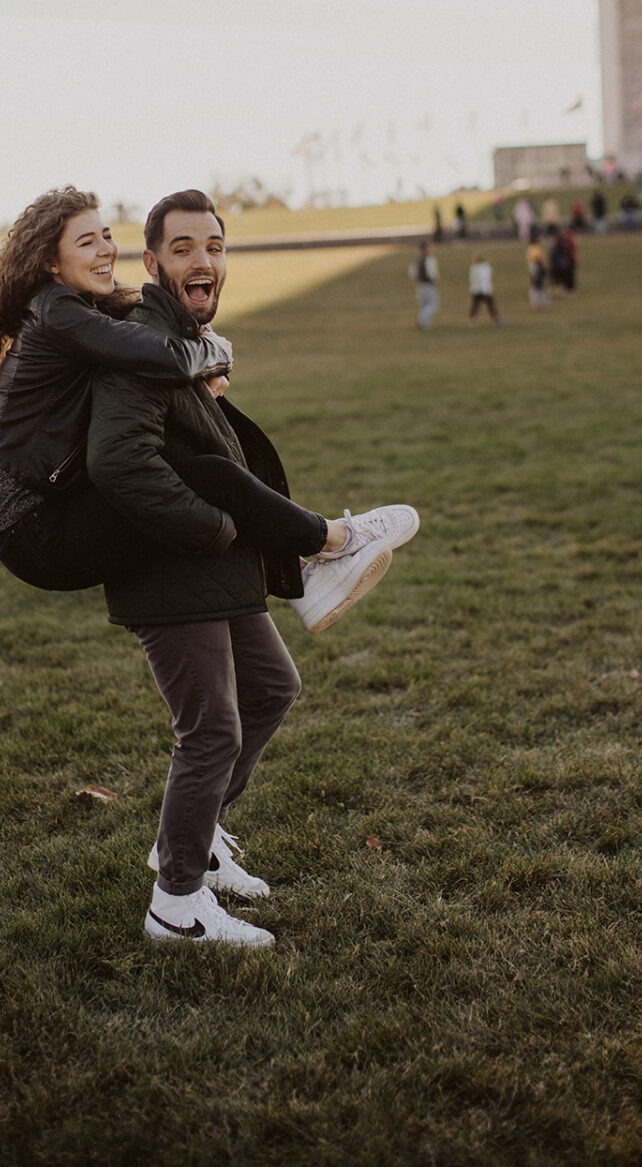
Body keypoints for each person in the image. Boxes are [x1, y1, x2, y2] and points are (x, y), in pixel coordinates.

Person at [85, 190, 419, 947]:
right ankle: (176, 905)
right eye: (183, 248)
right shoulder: (141, 343)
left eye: (215, 246)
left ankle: (194, 841)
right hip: (171, 564)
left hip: (212, 561)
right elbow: (117, 460)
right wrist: (211, 528)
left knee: (272, 687)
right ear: (151, 263)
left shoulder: (176, 340)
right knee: (210, 730)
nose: (204, 260)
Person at [0, 186, 416, 636]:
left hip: (52, 504)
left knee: (195, 466)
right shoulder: (57, 311)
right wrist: (214, 350)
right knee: (211, 479)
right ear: (50, 263)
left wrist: (203, 369)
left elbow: (155, 356)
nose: (106, 250)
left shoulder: (81, 310)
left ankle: (304, 579)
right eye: (86, 242)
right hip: (34, 529)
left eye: (106, 235)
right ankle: (337, 541)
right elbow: (169, 357)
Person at [409, 239, 440, 330]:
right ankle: (422, 319)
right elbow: (432, 273)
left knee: (424, 305)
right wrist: (435, 279)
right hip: (428, 284)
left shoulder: (417, 259)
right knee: (433, 304)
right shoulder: (429, 259)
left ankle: (426, 324)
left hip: (420, 285)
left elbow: (412, 272)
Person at [467, 254, 503, 324]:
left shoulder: (473, 268)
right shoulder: (486, 267)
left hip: (476, 290)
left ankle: (472, 320)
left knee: (476, 305)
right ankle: (496, 318)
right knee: (490, 304)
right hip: (485, 290)